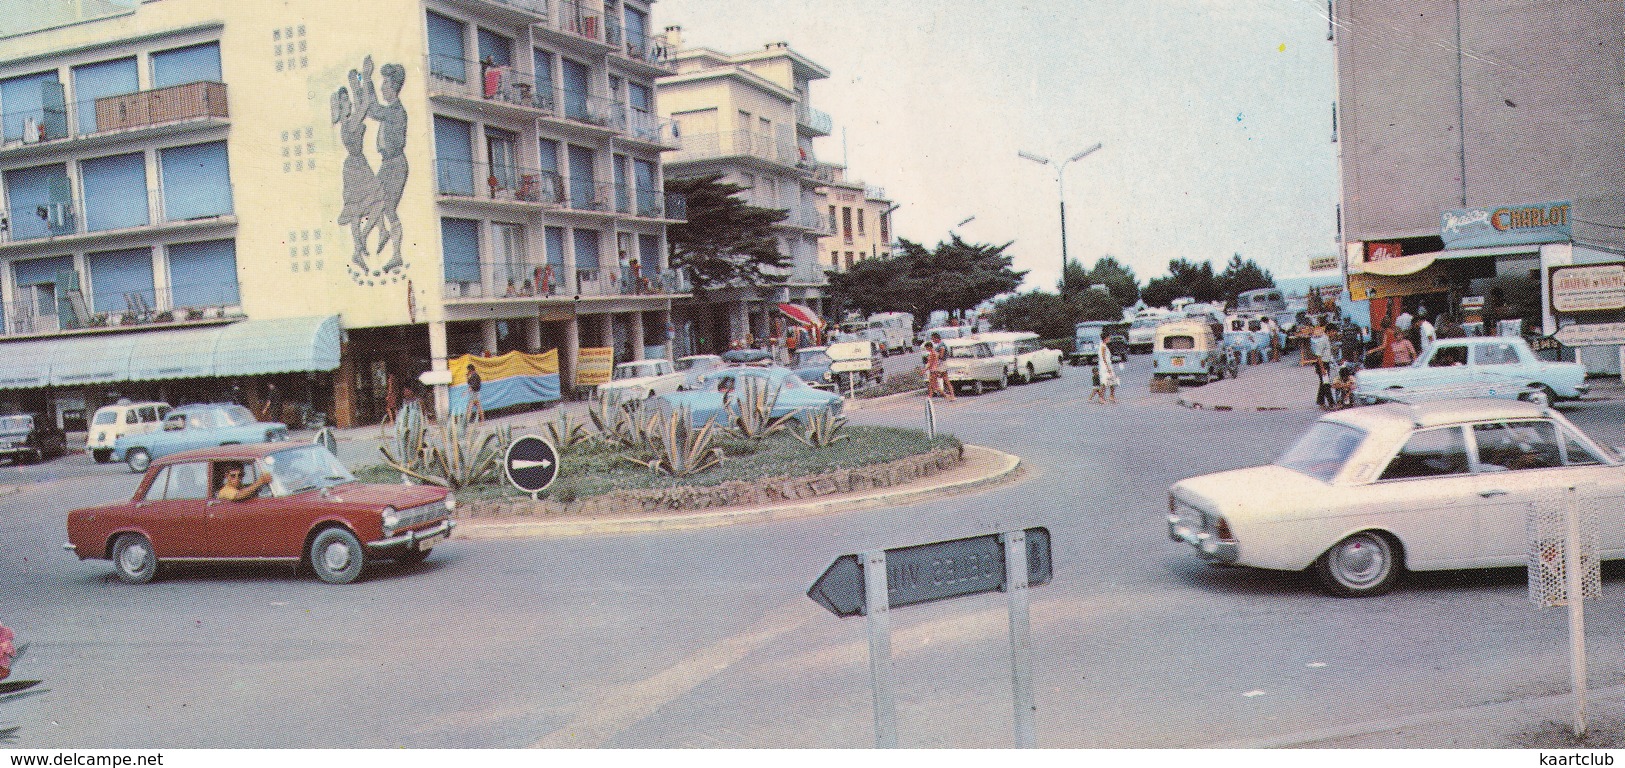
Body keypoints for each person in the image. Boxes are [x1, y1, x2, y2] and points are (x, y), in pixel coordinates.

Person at [925, 332, 954, 401]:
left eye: (933, 339)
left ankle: (947, 395)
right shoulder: (940, 345)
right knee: (942, 380)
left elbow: (940, 356)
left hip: (941, 365)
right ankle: (932, 396)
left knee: (935, 381)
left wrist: (934, 357)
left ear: (936, 338)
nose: (933, 341)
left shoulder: (941, 345)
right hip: (941, 365)